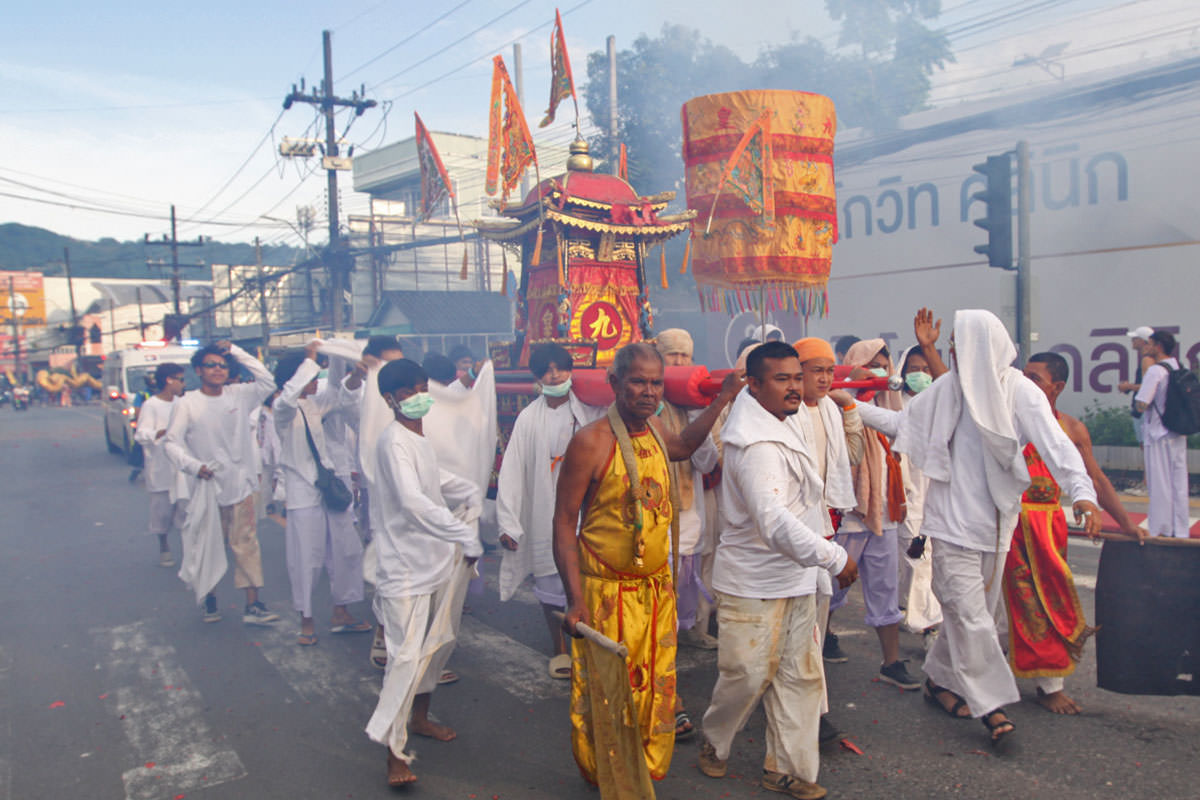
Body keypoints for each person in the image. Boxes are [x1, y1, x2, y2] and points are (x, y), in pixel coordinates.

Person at [856, 310, 1100, 747]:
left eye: (958, 342)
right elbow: (901, 424)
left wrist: (1081, 492)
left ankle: (938, 682)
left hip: (998, 527)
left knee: (971, 618)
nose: (951, 350)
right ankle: (991, 708)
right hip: (950, 528)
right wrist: (849, 405)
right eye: (950, 343)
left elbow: (1056, 443)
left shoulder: (1020, 391)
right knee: (971, 617)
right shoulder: (947, 390)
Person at [554, 342, 741, 790]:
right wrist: (575, 600)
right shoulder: (589, 442)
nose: (648, 391)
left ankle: (641, 766)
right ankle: (607, 772)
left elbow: (682, 447)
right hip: (606, 596)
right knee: (607, 691)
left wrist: (722, 399)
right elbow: (563, 523)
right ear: (614, 384)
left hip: (655, 591)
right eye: (637, 381)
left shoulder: (656, 427)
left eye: (656, 382)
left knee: (653, 686)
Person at [698, 341, 857, 800]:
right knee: (745, 676)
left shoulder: (785, 421)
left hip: (796, 579)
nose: (794, 387)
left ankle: (788, 770)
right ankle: (715, 741)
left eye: (796, 377)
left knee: (801, 678)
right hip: (752, 583)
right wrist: (833, 557)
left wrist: (819, 563)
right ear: (754, 384)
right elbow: (773, 522)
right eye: (782, 379)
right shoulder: (757, 443)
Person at [364, 358, 482, 788]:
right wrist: (464, 535)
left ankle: (419, 717)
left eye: (421, 388)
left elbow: (435, 481)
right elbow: (414, 502)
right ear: (389, 400)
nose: (418, 398)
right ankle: (394, 753)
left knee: (436, 647)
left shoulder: (418, 439)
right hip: (404, 572)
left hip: (434, 563)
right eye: (408, 392)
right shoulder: (393, 441)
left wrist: (468, 491)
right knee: (404, 659)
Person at [1005, 351, 1142, 715]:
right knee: (991, 607)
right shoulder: (1007, 416)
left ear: (1057, 387)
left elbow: (1094, 479)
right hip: (1005, 524)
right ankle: (969, 679)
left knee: (1046, 603)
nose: (1025, 382)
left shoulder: (1071, 428)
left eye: (1035, 378)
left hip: (1047, 531)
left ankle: (1049, 685)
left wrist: (1126, 524)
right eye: (1024, 375)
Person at [497, 343, 601, 679]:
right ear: (538, 377)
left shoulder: (589, 410)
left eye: (559, 368)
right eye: (546, 370)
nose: (554, 375)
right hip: (548, 509)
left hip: (588, 509)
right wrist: (508, 523)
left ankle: (592, 648)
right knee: (550, 585)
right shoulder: (528, 418)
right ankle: (559, 650)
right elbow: (511, 470)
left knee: (591, 582)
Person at [164, 341, 281, 625]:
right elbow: (171, 443)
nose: (218, 370)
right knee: (208, 545)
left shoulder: (240, 394)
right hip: (206, 488)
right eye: (211, 365)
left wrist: (237, 351)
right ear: (198, 371)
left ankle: (253, 604)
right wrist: (195, 467)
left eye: (223, 365)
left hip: (241, 487)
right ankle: (210, 598)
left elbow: (267, 380)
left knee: (246, 545)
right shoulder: (187, 404)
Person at [831, 339, 923, 690]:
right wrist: (850, 394)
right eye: (872, 366)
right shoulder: (833, 406)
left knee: (885, 590)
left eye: (885, 365)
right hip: (848, 514)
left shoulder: (891, 407)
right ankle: (821, 637)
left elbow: (904, 445)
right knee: (833, 589)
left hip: (885, 514)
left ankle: (892, 662)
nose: (880, 373)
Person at [273, 343, 371, 646]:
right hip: (302, 491)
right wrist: (310, 359)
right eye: (311, 375)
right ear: (296, 376)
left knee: (346, 549)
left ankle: (341, 611)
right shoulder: (282, 407)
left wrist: (354, 372)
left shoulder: (314, 405)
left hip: (331, 487)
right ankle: (306, 619)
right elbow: (290, 395)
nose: (316, 381)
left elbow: (342, 394)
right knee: (307, 557)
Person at [653, 329, 721, 742]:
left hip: (686, 523)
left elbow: (707, 458)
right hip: (647, 526)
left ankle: (666, 691)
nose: (679, 363)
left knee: (671, 617)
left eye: (685, 356)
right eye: (671, 356)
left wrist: (699, 412)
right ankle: (663, 699)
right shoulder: (642, 400)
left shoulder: (693, 405)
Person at [789, 338, 863, 669]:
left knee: (819, 601)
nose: (824, 378)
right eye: (816, 370)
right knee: (795, 604)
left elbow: (853, 456)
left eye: (830, 371)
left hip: (827, 517)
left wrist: (849, 410)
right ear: (797, 371)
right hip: (795, 519)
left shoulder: (831, 409)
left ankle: (810, 684)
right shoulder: (786, 411)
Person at [891, 342, 942, 642]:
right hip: (907, 498)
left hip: (938, 497)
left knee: (933, 562)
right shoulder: (897, 408)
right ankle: (928, 625)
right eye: (914, 370)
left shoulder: (942, 409)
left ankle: (929, 621)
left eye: (926, 370)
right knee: (915, 559)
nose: (921, 375)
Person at [1134, 330, 1191, 538]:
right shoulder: (1177, 366)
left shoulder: (1155, 371)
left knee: (1160, 485)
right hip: (1177, 432)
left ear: (1157, 346)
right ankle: (1180, 529)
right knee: (1178, 484)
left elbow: (1142, 403)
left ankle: (1161, 528)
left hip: (1157, 434)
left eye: (1149, 344)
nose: (1145, 348)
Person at [133, 362, 187, 567]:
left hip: (181, 466)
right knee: (162, 513)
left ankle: (189, 550)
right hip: (160, 467)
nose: (183, 384)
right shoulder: (152, 405)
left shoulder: (183, 403)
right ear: (169, 380)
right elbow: (141, 434)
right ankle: (164, 545)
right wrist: (160, 433)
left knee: (185, 510)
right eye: (180, 379)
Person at [1117, 326, 1157, 443]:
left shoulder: (1148, 360)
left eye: (1135, 338)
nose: (1132, 341)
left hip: (1144, 409)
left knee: (1145, 445)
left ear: (1143, 341)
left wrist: (1128, 386)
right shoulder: (1148, 359)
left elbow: (1148, 386)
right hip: (1143, 408)